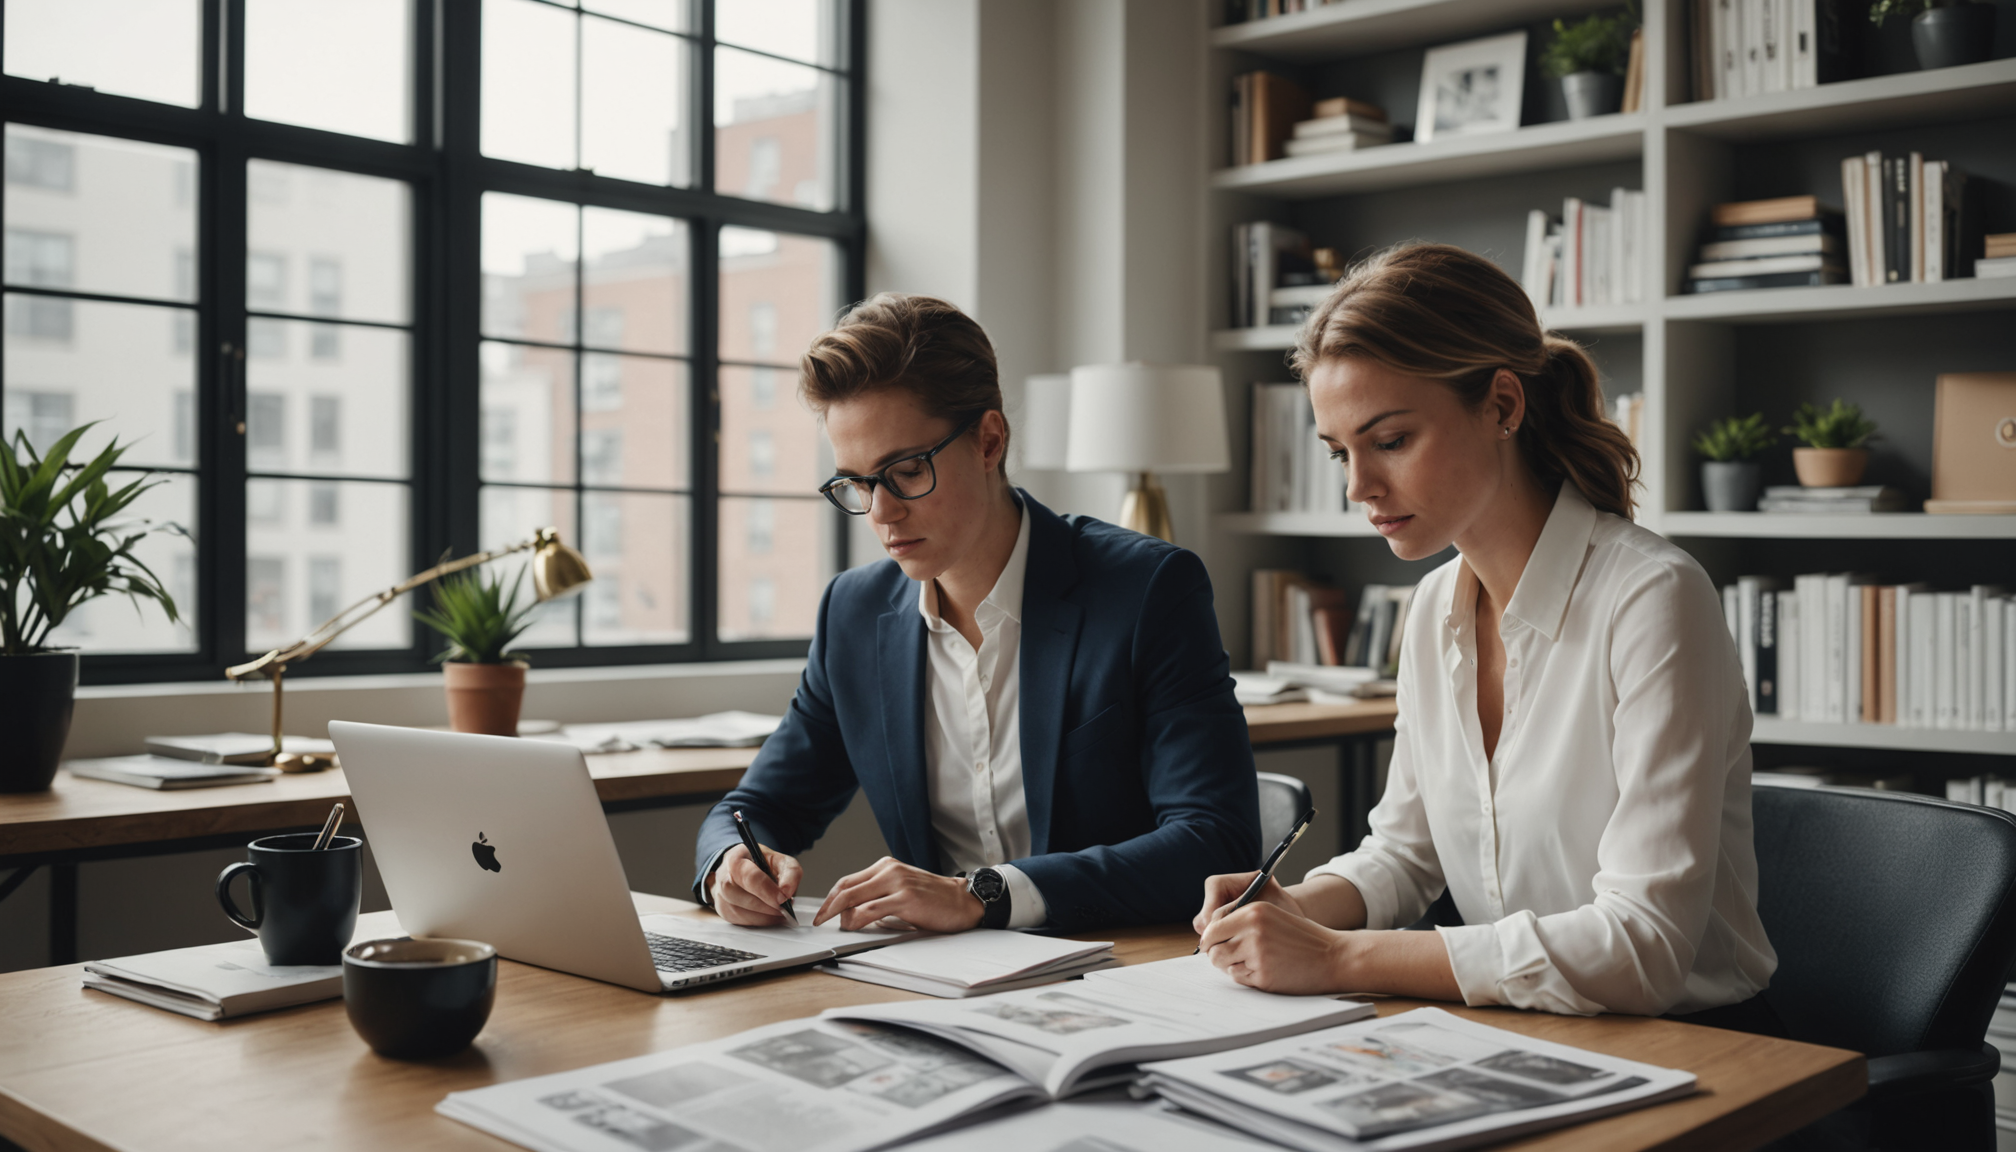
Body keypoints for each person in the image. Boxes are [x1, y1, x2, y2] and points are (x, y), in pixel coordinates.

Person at [1195, 244, 1778, 1028]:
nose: (1357, 487)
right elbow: (1403, 857)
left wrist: (1336, 957)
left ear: (1503, 406)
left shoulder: (1653, 598)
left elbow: (1644, 947)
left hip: (1697, 1045)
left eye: (1390, 440)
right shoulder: (1434, 607)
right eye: (1341, 452)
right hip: (1513, 1026)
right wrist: (1293, 906)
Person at [694, 293, 1259, 935]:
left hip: (1116, 964)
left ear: (989, 441)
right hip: (938, 981)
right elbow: (756, 806)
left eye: (905, 471)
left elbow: (1216, 841)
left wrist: (983, 894)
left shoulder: (1147, 589)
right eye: (854, 483)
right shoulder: (852, 613)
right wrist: (730, 864)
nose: (880, 513)